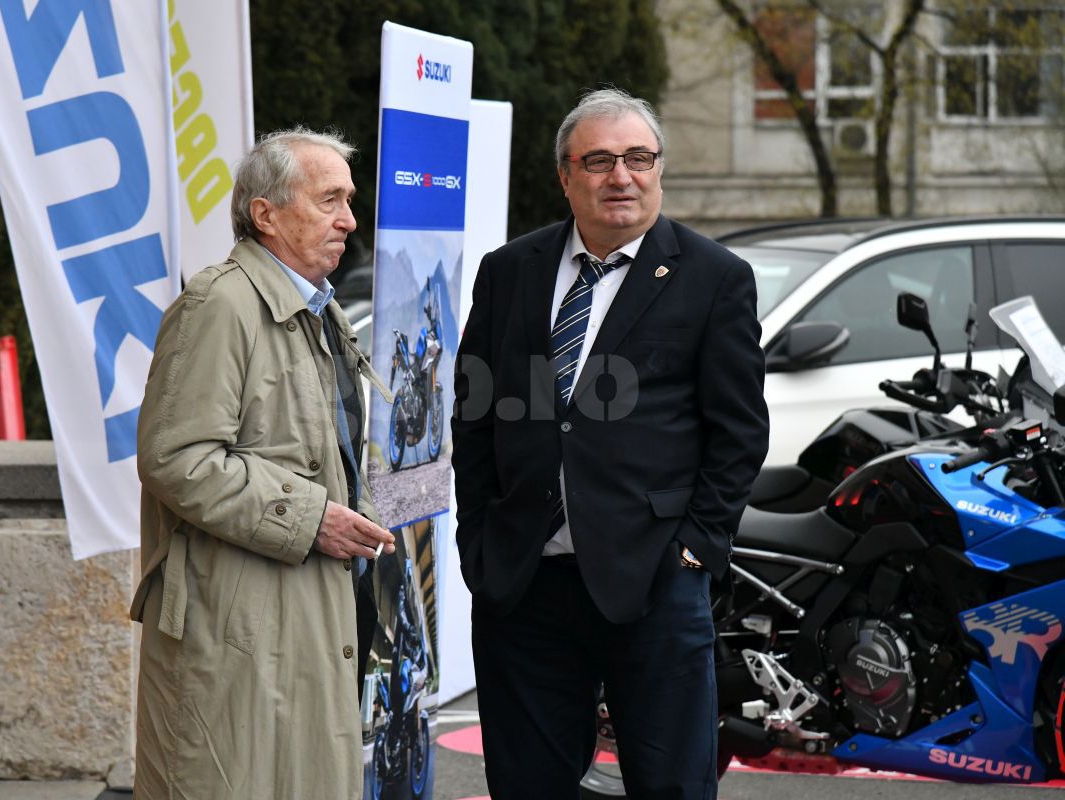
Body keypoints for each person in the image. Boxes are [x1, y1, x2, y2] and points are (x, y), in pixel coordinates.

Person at [452, 88, 769, 800]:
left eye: (637, 158)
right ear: (565, 176)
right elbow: (475, 415)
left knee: (671, 785)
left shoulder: (714, 277)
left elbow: (740, 430)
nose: (619, 176)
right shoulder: (510, 272)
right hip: (524, 584)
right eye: (597, 160)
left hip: (653, 582)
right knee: (528, 785)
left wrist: (696, 549)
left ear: (660, 170)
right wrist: (480, 536)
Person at [130, 126, 396, 800]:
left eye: (349, 200)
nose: (350, 220)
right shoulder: (219, 304)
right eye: (330, 200)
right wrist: (312, 519)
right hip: (240, 625)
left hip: (295, 614)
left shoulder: (317, 309)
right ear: (265, 213)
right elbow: (175, 457)